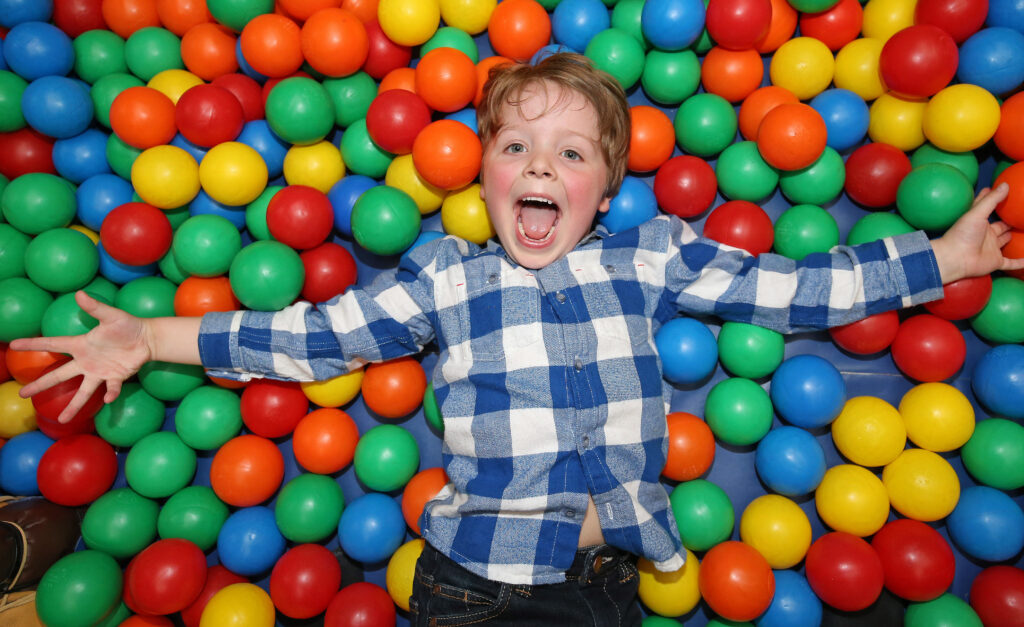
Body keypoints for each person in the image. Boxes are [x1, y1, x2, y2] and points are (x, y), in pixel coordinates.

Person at [12, 53, 1024, 625]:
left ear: (603, 192)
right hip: (472, 589)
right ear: (486, 174)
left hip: (611, 589)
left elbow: (791, 288)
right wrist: (150, 333)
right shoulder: (446, 278)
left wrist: (937, 262)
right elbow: (310, 339)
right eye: (515, 144)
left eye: (570, 150)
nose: (540, 161)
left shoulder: (651, 257)